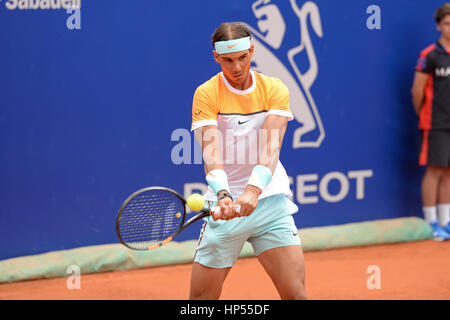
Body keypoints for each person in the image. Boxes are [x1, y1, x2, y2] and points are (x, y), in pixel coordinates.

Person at [189, 22, 307, 300]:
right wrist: (224, 195)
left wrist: (253, 191)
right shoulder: (206, 93)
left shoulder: (274, 88)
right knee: (201, 301)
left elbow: (271, 147)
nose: (237, 67)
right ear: (216, 57)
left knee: (296, 295)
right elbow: (211, 153)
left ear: (252, 51)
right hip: (224, 208)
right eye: (228, 60)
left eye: (243, 57)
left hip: (270, 203)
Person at [411, 3, 450, 241]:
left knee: (448, 172)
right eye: (447, 23)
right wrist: (423, 114)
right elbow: (417, 91)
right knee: (434, 170)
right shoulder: (429, 55)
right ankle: (431, 223)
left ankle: (446, 221)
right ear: (438, 26)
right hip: (434, 121)